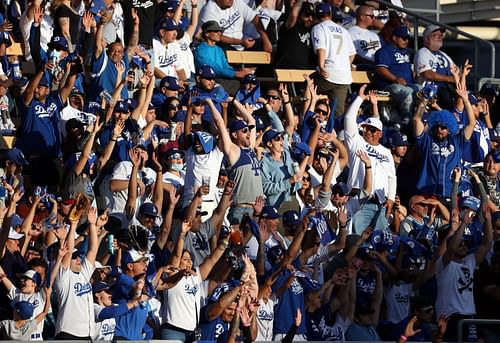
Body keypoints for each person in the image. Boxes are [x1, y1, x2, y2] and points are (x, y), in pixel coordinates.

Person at [344, 85, 396, 233]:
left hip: (381, 202)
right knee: (355, 241)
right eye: (365, 128)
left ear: (380, 133)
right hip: (359, 201)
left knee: (378, 245)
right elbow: (348, 118)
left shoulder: (386, 152)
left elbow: (392, 177)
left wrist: (391, 199)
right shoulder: (356, 143)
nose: (367, 132)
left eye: (372, 130)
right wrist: (360, 98)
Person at [436, 206, 493, 342]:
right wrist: (464, 223)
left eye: (466, 243)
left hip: (470, 314)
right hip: (450, 316)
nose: (464, 246)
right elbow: (452, 247)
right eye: (461, 243)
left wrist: (488, 221)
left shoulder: (469, 262)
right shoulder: (444, 263)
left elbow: (486, 245)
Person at [412, 80, 476, 198]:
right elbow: (416, 120)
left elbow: (471, 123)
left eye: (443, 127)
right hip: (429, 192)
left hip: (452, 192)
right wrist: (425, 99)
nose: (440, 130)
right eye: (437, 127)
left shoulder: (457, 141)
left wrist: (466, 100)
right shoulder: (426, 141)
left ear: (450, 128)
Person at [311, 2, 356, 117]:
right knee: (337, 112)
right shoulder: (344, 30)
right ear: (330, 14)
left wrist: (321, 66)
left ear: (316, 15)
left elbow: (321, 48)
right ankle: (332, 132)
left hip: (328, 74)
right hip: (343, 77)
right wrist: (345, 65)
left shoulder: (319, 27)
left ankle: (305, 122)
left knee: (305, 89)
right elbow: (352, 54)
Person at [375, 26, 419, 124]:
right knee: (407, 93)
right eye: (403, 38)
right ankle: (406, 123)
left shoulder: (406, 52)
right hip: (388, 86)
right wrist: (395, 79)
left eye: (408, 39)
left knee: (424, 93)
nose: (406, 41)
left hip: (408, 85)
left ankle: (420, 121)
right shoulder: (384, 51)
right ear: (395, 38)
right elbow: (380, 69)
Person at [198, 0, 272, 53]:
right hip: (223, 45)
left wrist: (266, 39)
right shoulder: (209, 10)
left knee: (265, 45)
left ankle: (254, 71)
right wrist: (240, 42)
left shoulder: (237, 2)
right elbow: (215, 36)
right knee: (219, 47)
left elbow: (255, 18)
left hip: (241, 44)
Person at [414, 25, 456, 110]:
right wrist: (449, 79)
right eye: (436, 35)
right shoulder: (422, 53)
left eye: (441, 35)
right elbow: (427, 74)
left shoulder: (444, 55)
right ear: (427, 38)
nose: (440, 37)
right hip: (431, 88)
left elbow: (456, 71)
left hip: (448, 88)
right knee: (446, 97)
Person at [274, 1, 315, 68]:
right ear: (299, 14)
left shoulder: (311, 29)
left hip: (303, 70)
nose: (310, 19)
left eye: (312, 16)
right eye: (307, 15)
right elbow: (293, 14)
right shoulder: (292, 25)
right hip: (285, 68)